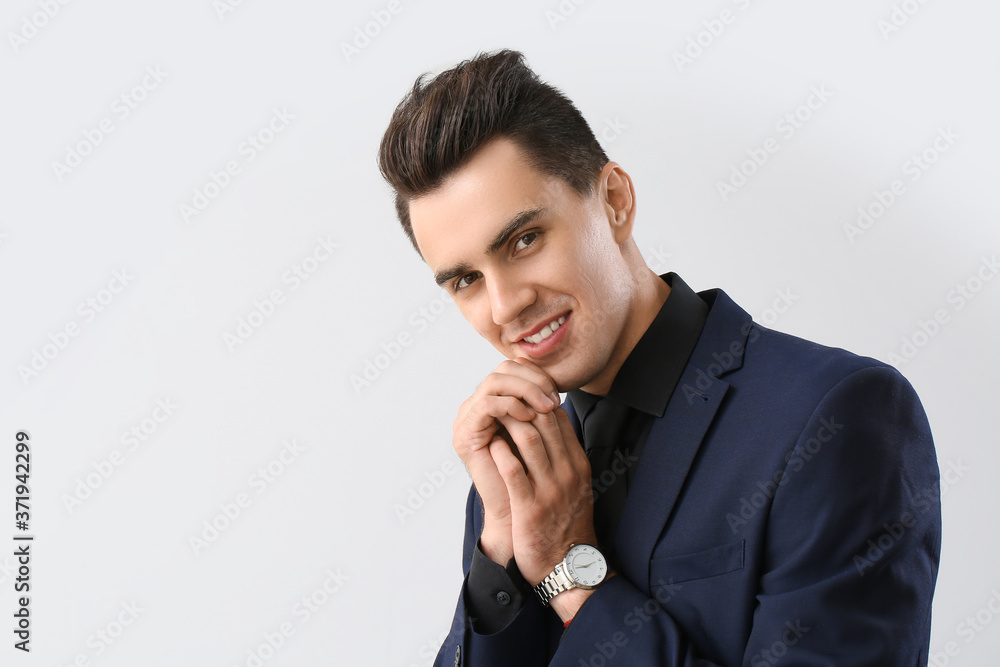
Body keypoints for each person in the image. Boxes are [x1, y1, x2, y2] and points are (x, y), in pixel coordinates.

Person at [378, 49, 941, 666]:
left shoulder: (835, 415)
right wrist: (499, 560)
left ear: (615, 201)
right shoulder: (515, 470)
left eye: (525, 240)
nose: (506, 304)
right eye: (466, 280)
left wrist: (572, 574)